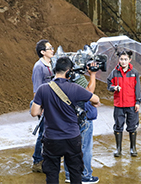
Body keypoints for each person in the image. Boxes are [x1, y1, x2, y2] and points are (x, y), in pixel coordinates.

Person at [31, 57, 100, 184]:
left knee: (52, 174)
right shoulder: (75, 88)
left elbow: (34, 112)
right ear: (69, 72)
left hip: (51, 139)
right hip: (72, 138)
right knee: (75, 173)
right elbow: (95, 99)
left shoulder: (43, 89)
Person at [65, 64, 100, 184]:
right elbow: (89, 93)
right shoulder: (77, 77)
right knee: (85, 146)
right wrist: (93, 75)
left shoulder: (61, 79)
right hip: (82, 117)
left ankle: (69, 174)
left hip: (68, 117)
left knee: (69, 146)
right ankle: (85, 175)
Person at [107, 50, 141, 157]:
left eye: (125, 59)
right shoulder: (114, 72)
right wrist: (114, 87)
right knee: (118, 126)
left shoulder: (134, 73)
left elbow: (137, 88)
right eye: (121, 59)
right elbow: (109, 85)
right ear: (119, 60)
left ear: (129, 60)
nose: (123, 61)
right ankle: (118, 148)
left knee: (132, 126)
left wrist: (137, 102)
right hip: (119, 105)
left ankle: (133, 147)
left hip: (131, 104)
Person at [31, 39, 55, 172]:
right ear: (42, 52)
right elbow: (36, 91)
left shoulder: (52, 63)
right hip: (43, 105)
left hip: (52, 104)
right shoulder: (39, 67)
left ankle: (47, 158)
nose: (52, 50)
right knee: (43, 133)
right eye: (49, 48)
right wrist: (39, 107)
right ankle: (37, 160)